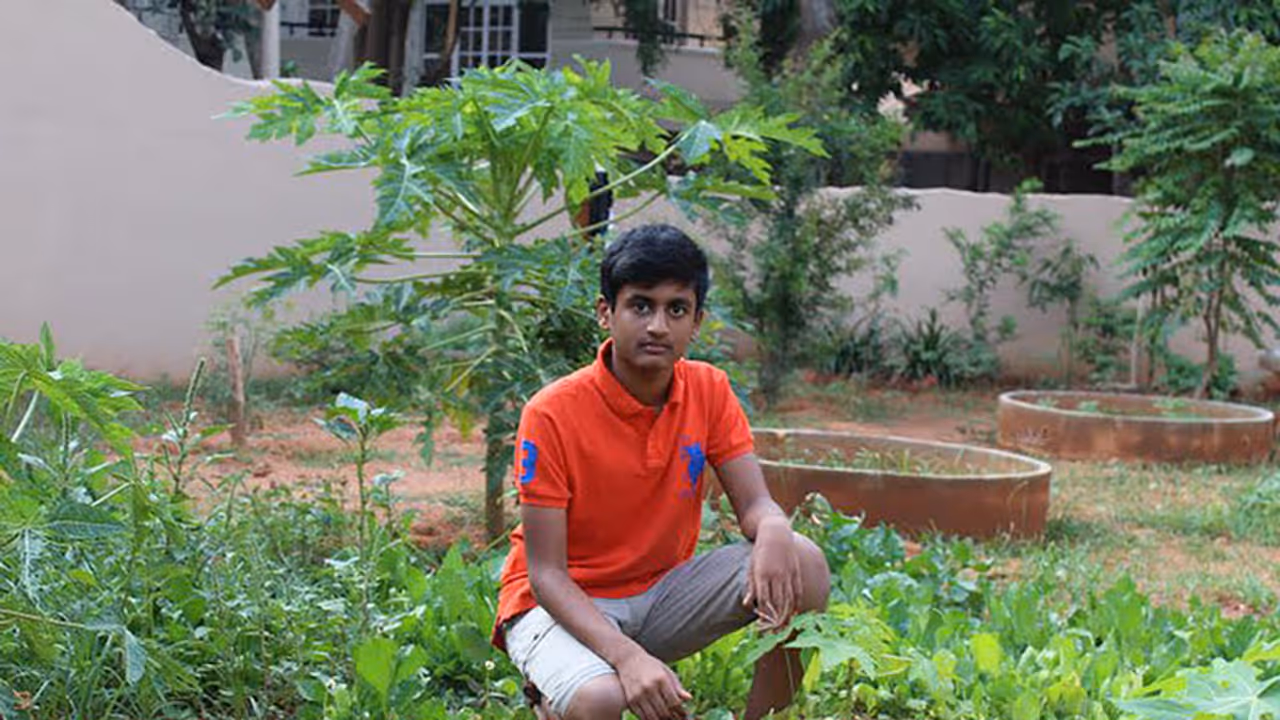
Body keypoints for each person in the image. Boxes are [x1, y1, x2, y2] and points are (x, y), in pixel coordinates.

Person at [494, 224, 830, 720]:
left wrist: (776, 526)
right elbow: (546, 575)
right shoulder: (552, 413)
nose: (657, 325)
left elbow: (755, 504)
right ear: (606, 312)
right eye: (640, 305)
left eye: (677, 309)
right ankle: (556, 691)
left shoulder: (710, 390)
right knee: (601, 699)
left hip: (658, 597)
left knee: (804, 561)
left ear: (696, 322)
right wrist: (628, 658)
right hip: (558, 605)